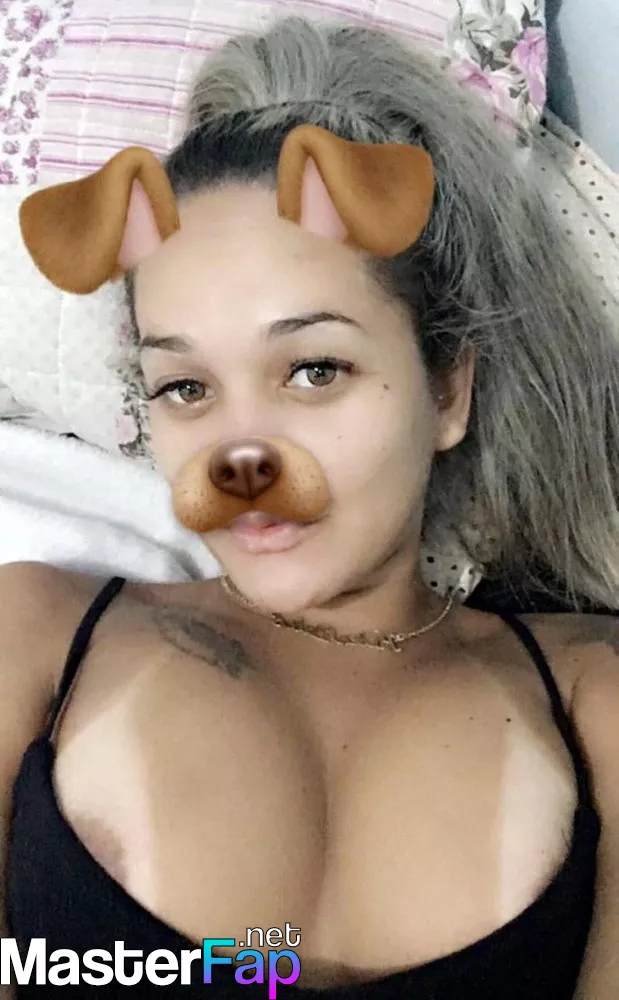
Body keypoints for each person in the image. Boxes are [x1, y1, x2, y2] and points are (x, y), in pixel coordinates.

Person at [1, 14, 619, 1000]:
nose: (240, 455)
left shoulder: (594, 695)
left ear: (446, 390)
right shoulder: (34, 635)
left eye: (314, 369)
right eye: (185, 388)